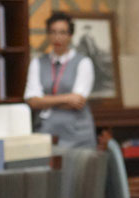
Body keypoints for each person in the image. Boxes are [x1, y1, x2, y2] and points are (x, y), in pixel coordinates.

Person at [24, 11, 96, 149]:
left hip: (78, 135)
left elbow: (77, 102)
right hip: (46, 132)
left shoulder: (83, 63)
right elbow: (32, 101)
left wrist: (44, 101)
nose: (57, 37)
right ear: (48, 34)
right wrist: (67, 98)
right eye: (53, 32)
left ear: (70, 35)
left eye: (63, 33)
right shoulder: (37, 63)